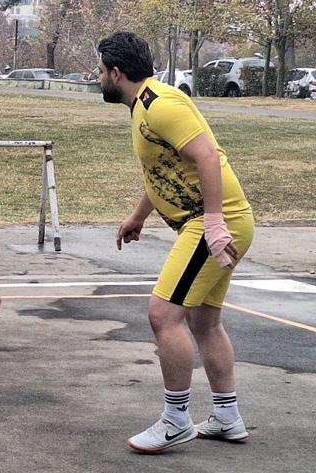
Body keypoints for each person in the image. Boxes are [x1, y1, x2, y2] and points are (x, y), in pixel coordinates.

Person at [97, 32, 254, 453]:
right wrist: (138, 216)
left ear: (117, 73)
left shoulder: (160, 104)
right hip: (211, 221)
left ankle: (175, 420)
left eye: (100, 71)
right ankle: (226, 416)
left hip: (211, 222)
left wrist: (215, 224)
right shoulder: (144, 107)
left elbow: (208, 155)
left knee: (163, 314)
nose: (98, 78)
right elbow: (166, 168)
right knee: (204, 321)